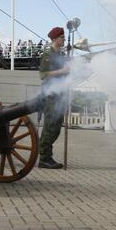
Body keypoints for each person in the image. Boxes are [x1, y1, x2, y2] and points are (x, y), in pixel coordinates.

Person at [37, 27, 70, 169]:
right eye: (62, 37)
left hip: (60, 94)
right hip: (50, 94)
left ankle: (47, 156)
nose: (64, 39)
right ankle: (44, 158)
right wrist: (62, 71)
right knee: (50, 126)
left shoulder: (61, 55)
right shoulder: (47, 54)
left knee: (56, 126)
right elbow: (43, 74)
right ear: (55, 39)